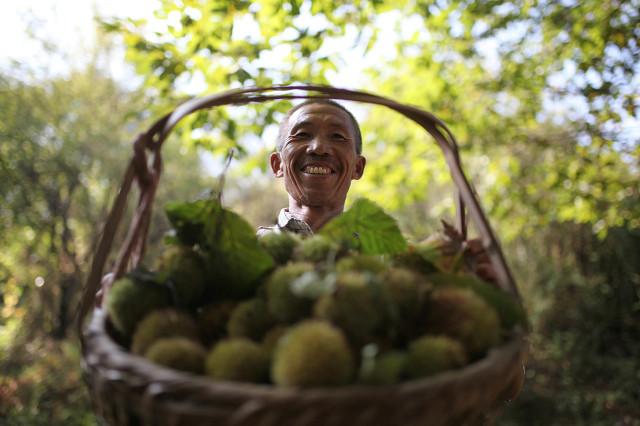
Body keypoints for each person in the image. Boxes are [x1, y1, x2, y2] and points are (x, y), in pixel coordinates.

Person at [257, 99, 365, 237]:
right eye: (302, 134)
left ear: (357, 167)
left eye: (337, 136)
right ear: (277, 164)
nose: (319, 148)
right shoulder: (244, 252)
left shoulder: (380, 255)